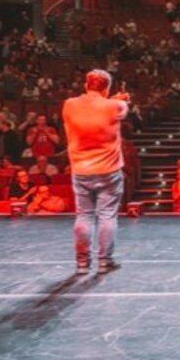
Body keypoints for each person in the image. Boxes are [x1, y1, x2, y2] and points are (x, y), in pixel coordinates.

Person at [62, 69, 129, 275]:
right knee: (107, 216)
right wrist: (115, 99)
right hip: (108, 171)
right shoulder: (115, 106)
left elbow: (93, 108)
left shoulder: (69, 105)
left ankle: (82, 263)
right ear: (106, 88)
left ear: (86, 85)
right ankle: (104, 261)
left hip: (81, 170)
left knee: (84, 216)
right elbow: (121, 108)